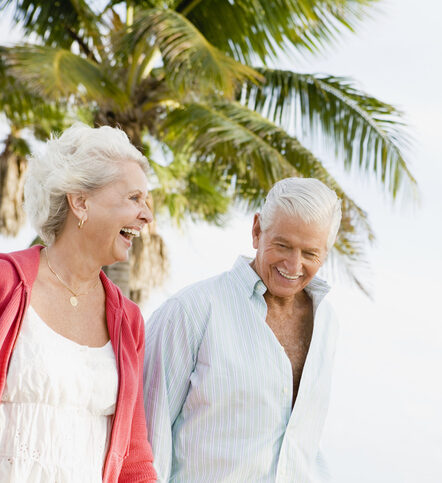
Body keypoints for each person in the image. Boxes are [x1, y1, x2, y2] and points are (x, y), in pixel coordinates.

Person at [143, 177, 342, 482]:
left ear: (325, 252)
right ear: (257, 230)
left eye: (310, 253)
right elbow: (147, 440)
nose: (293, 264)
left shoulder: (326, 322)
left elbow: (302, 442)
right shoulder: (189, 312)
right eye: (283, 245)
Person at [0, 123, 157, 482]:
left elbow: (134, 459)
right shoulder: (6, 284)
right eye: (133, 198)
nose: (147, 215)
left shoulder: (128, 320)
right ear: (80, 201)